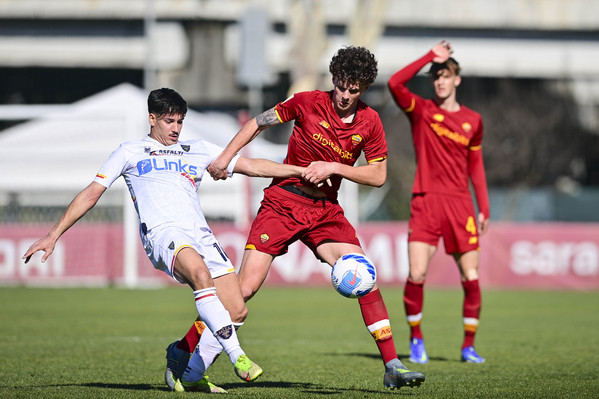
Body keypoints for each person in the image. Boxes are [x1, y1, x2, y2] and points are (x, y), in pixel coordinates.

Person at [165, 46, 425, 390]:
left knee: (365, 275)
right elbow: (259, 122)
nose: (345, 95)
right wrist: (226, 157)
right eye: (341, 86)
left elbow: (378, 175)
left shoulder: (370, 122)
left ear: (364, 88)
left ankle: (392, 365)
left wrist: (334, 167)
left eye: (354, 89)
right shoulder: (306, 102)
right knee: (241, 292)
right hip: (283, 203)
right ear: (334, 79)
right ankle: (182, 350)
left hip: (325, 212)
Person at [22, 87, 310, 393]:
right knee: (200, 276)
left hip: (200, 235)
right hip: (163, 234)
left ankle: (190, 369)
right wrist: (53, 235)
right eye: (169, 121)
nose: (176, 128)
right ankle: (238, 356)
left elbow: (251, 165)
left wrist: (300, 171)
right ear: (152, 119)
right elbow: (92, 193)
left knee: (236, 310)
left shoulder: (196, 149)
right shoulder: (129, 152)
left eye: (180, 122)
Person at [387, 41, 490, 364]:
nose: (440, 81)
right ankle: (416, 339)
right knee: (416, 274)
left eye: (446, 76)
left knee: (470, 277)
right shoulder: (421, 111)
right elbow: (394, 83)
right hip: (425, 201)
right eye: (435, 77)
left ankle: (468, 346)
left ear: (457, 79)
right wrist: (429, 57)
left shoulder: (474, 121)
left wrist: (483, 206)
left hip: (460, 205)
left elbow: (476, 166)